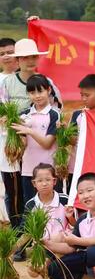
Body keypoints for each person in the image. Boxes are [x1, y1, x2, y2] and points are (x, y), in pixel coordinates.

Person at [21, 163, 76, 279]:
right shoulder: (31, 204)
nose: (44, 183)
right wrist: (12, 250)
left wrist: (70, 217)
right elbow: (26, 231)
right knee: (33, 271)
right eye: (40, 181)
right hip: (43, 245)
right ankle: (50, 272)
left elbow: (76, 225)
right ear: (34, 184)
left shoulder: (64, 199)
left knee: (58, 237)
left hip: (64, 244)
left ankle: (63, 275)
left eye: (47, 180)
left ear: (54, 181)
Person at [11, 75, 61, 206]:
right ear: (28, 94)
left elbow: (47, 144)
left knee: (51, 207)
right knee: (31, 207)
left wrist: (30, 131)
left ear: (49, 90)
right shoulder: (24, 114)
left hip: (49, 171)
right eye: (32, 93)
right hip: (28, 170)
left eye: (40, 91)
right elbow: (22, 144)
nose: (37, 96)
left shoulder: (54, 114)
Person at [67, 74, 95, 193]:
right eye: (81, 95)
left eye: (87, 95)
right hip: (75, 168)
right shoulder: (77, 115)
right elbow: (71, 141)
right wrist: (64, 132)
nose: (83, 99)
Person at [3, 38, 62, 111]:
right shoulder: (8, 82)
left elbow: (57, 108)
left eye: (34, 57)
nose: (30, 61)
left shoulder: (47, 82)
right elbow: (2, 107)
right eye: (25, 57)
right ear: (17, 60)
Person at [0, 38, 20, 227]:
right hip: (6, 144)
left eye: (10, 52)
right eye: (2, 53)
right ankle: (17, 230)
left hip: (30, 143)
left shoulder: (29, 80)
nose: (6, 56)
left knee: (29, 185)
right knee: (11, 189)